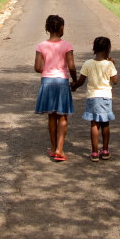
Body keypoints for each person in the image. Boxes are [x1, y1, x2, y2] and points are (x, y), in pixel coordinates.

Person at [34, 14, 78, 162]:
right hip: (61, 82)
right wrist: (75, 81)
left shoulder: (41, 46)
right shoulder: (67, 45)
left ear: (47, 28)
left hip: (47, 82)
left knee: (51, 116)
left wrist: (47, 70)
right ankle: (60, 149)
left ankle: (53, 149)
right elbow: (71, 66)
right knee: (63, 116)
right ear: (61, 28)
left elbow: (37, 67)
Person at [71, 36, 118, 161]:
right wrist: (113, 65)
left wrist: (74, 85)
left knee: (94, 124)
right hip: (105, 97)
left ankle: (94, 152)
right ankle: (106, 150)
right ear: (108, 49)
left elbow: (81, 81)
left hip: (92, 97)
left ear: (94, 49)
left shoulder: (88, 63)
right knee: (105, 124)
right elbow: (115, 81)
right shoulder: (109, 64)